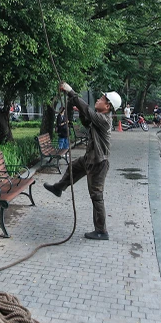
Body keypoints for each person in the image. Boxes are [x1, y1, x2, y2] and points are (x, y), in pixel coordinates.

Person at [43, 83, 120, 241]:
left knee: (96, 196)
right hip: (90, 159)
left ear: (107, 106)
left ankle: (101, 231)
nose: (98, 100)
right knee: (73, 167)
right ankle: (59, 188)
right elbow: (87, 121)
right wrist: (78, 108)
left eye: (101, 99)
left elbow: (89, 113)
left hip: (98, 163)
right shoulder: (99, 118)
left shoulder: (104, 119)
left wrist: (71, 92)